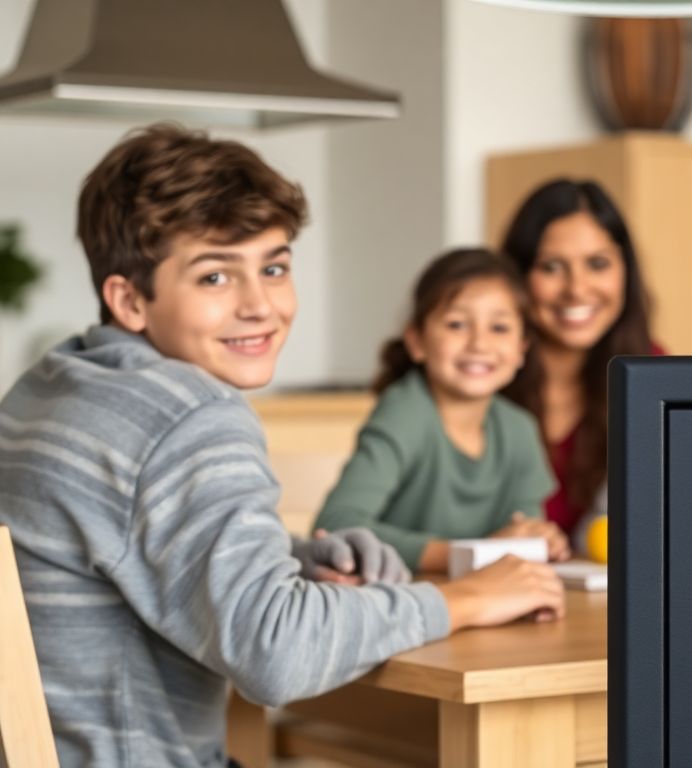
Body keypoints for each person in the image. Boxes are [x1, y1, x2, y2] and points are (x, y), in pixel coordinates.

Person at [0, 124, 563, 767]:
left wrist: (291, 559)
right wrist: (464, 600)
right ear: (129, 299)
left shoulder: (44, 389)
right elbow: (277, 653)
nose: (260, 306)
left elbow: (131, 549)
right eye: (215, 278)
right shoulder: (191, 417)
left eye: (273, 268)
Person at [312, 249, 569, 572]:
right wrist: (468, 555)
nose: (479, 343)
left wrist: (538, 539)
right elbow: (335, 525)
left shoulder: (519, 429)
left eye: (499, 328)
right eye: (457, 324)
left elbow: (523, 534)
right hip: (402, 607)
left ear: (521, 350)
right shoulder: (405, 413)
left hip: (490, 604)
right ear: (417, 341)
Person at [499, 178, 660, 543]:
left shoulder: (655, 375)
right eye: (552, 267)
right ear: (519, 277)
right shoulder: (481, 377)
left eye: (597, 264)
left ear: (625, 272)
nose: (577, 288)